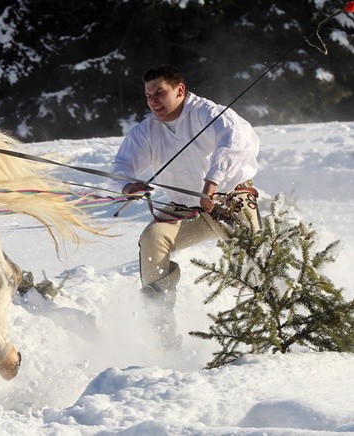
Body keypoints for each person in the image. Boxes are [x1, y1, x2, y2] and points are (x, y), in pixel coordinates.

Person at [110, 65, 261, 350]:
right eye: (148, 96)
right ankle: (164, 336)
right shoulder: (147, 130)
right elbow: (122, 165)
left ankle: (262, 328)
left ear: (180, 90)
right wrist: (128, 185)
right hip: (186, 208)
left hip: (230, 201)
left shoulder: (208, 112)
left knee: (255, 259)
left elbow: (237, 141)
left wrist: (212, 181)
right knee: (152, 240)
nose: (154, 101)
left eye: (160, 93)